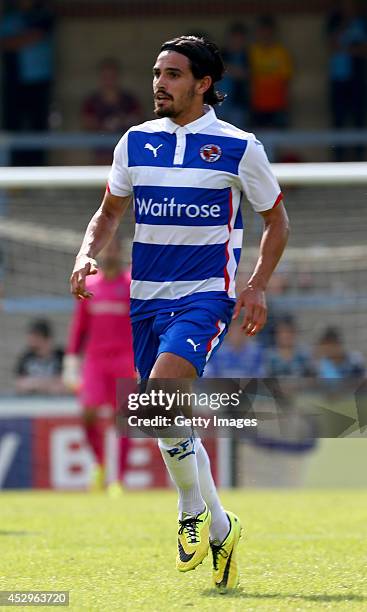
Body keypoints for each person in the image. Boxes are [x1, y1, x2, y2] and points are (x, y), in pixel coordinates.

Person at [70, 35, 289, 592]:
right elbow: (109, 213)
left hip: (204, 294)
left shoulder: (239, 147)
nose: (159, 83)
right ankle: (218, 522)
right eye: (157, 72)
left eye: (172, 74)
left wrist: (257, 285)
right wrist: (87, 253)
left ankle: (191, 509)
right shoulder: (134, 142)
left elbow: (277, 222)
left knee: (164, 392)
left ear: (203, 84)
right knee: (161, 416)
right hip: (146, 297)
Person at [63, 237, 135, 494]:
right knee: (88, 413)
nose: (110, 253)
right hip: (95, 360)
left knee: (124, 420)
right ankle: (100, 465)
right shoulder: (90, 284)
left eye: (114, 248)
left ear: (120, 253)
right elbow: (79, 327)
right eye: (107, 248)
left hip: (125, 359)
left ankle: (119, 480)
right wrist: (71, 360)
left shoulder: (131, 286)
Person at [0, 0, 55, 165]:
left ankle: (38, 167)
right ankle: (15, 167)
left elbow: (36, 35)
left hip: (40, 80)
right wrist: (19, 40)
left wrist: (16, 41)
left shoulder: (43, 14)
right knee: (13, 124)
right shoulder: (10, 17)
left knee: (39, 125)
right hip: (14, 81)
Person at [325, 0, 367, 160]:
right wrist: (345, 24)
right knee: (339, 119)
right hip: (338, 78)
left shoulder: (362, 22)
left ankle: (359, 158)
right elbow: (331, 44)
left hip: (358, 78)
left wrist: (348, 49)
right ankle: (338, 158)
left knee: (358, 118)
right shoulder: (334, 21)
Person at [82, 58, 143, 164]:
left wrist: (122, 121)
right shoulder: (92, 102)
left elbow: (139, 120)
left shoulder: (129, 100)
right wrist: (105, 126)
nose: (109, 80)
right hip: (101, 156)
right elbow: (87, 124)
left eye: (112, 76)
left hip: (127, 155)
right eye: (106, 77)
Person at [249, 16, 293, 129]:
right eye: (262, 32)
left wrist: (287, 104)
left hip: (278, 105)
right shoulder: (252, 52)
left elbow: (286, 80)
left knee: (279, 141)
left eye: (268, 32)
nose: (265, 36)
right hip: (257, 104)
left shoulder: (281, 53)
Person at [15, 318, 64, 395]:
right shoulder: (26, 357)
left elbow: (65, 385)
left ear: (48, 339)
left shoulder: (61, 355)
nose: (32, 343)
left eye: (36, 338)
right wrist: (49, 383)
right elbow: (20, 384)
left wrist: (33, 383)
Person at [218, 23, 249, 129]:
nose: (237, 42)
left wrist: (228, 69)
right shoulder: (221, 53)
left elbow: (246, 74)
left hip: (238, 102)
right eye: (234, 38)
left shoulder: (247, 55)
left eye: (240, 39)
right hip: (220, 102)